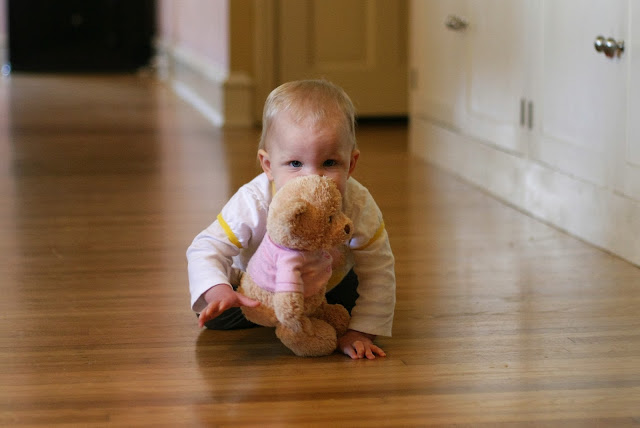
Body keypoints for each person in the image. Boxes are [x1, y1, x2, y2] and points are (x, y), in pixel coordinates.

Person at [187, 79, 395, 359]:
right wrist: (218, 291)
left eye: (329, 163)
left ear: (351, 164)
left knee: (356, 294)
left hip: (326, 285)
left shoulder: (358, 203)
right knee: (217, 314)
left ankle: (314, 317)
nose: (312, 176)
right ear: (269, 165)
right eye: (295, 164)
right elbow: (206, 247)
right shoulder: (254, 200)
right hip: (260, 288)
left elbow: (378, 266)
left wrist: (362, 331)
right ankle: (273, 316)